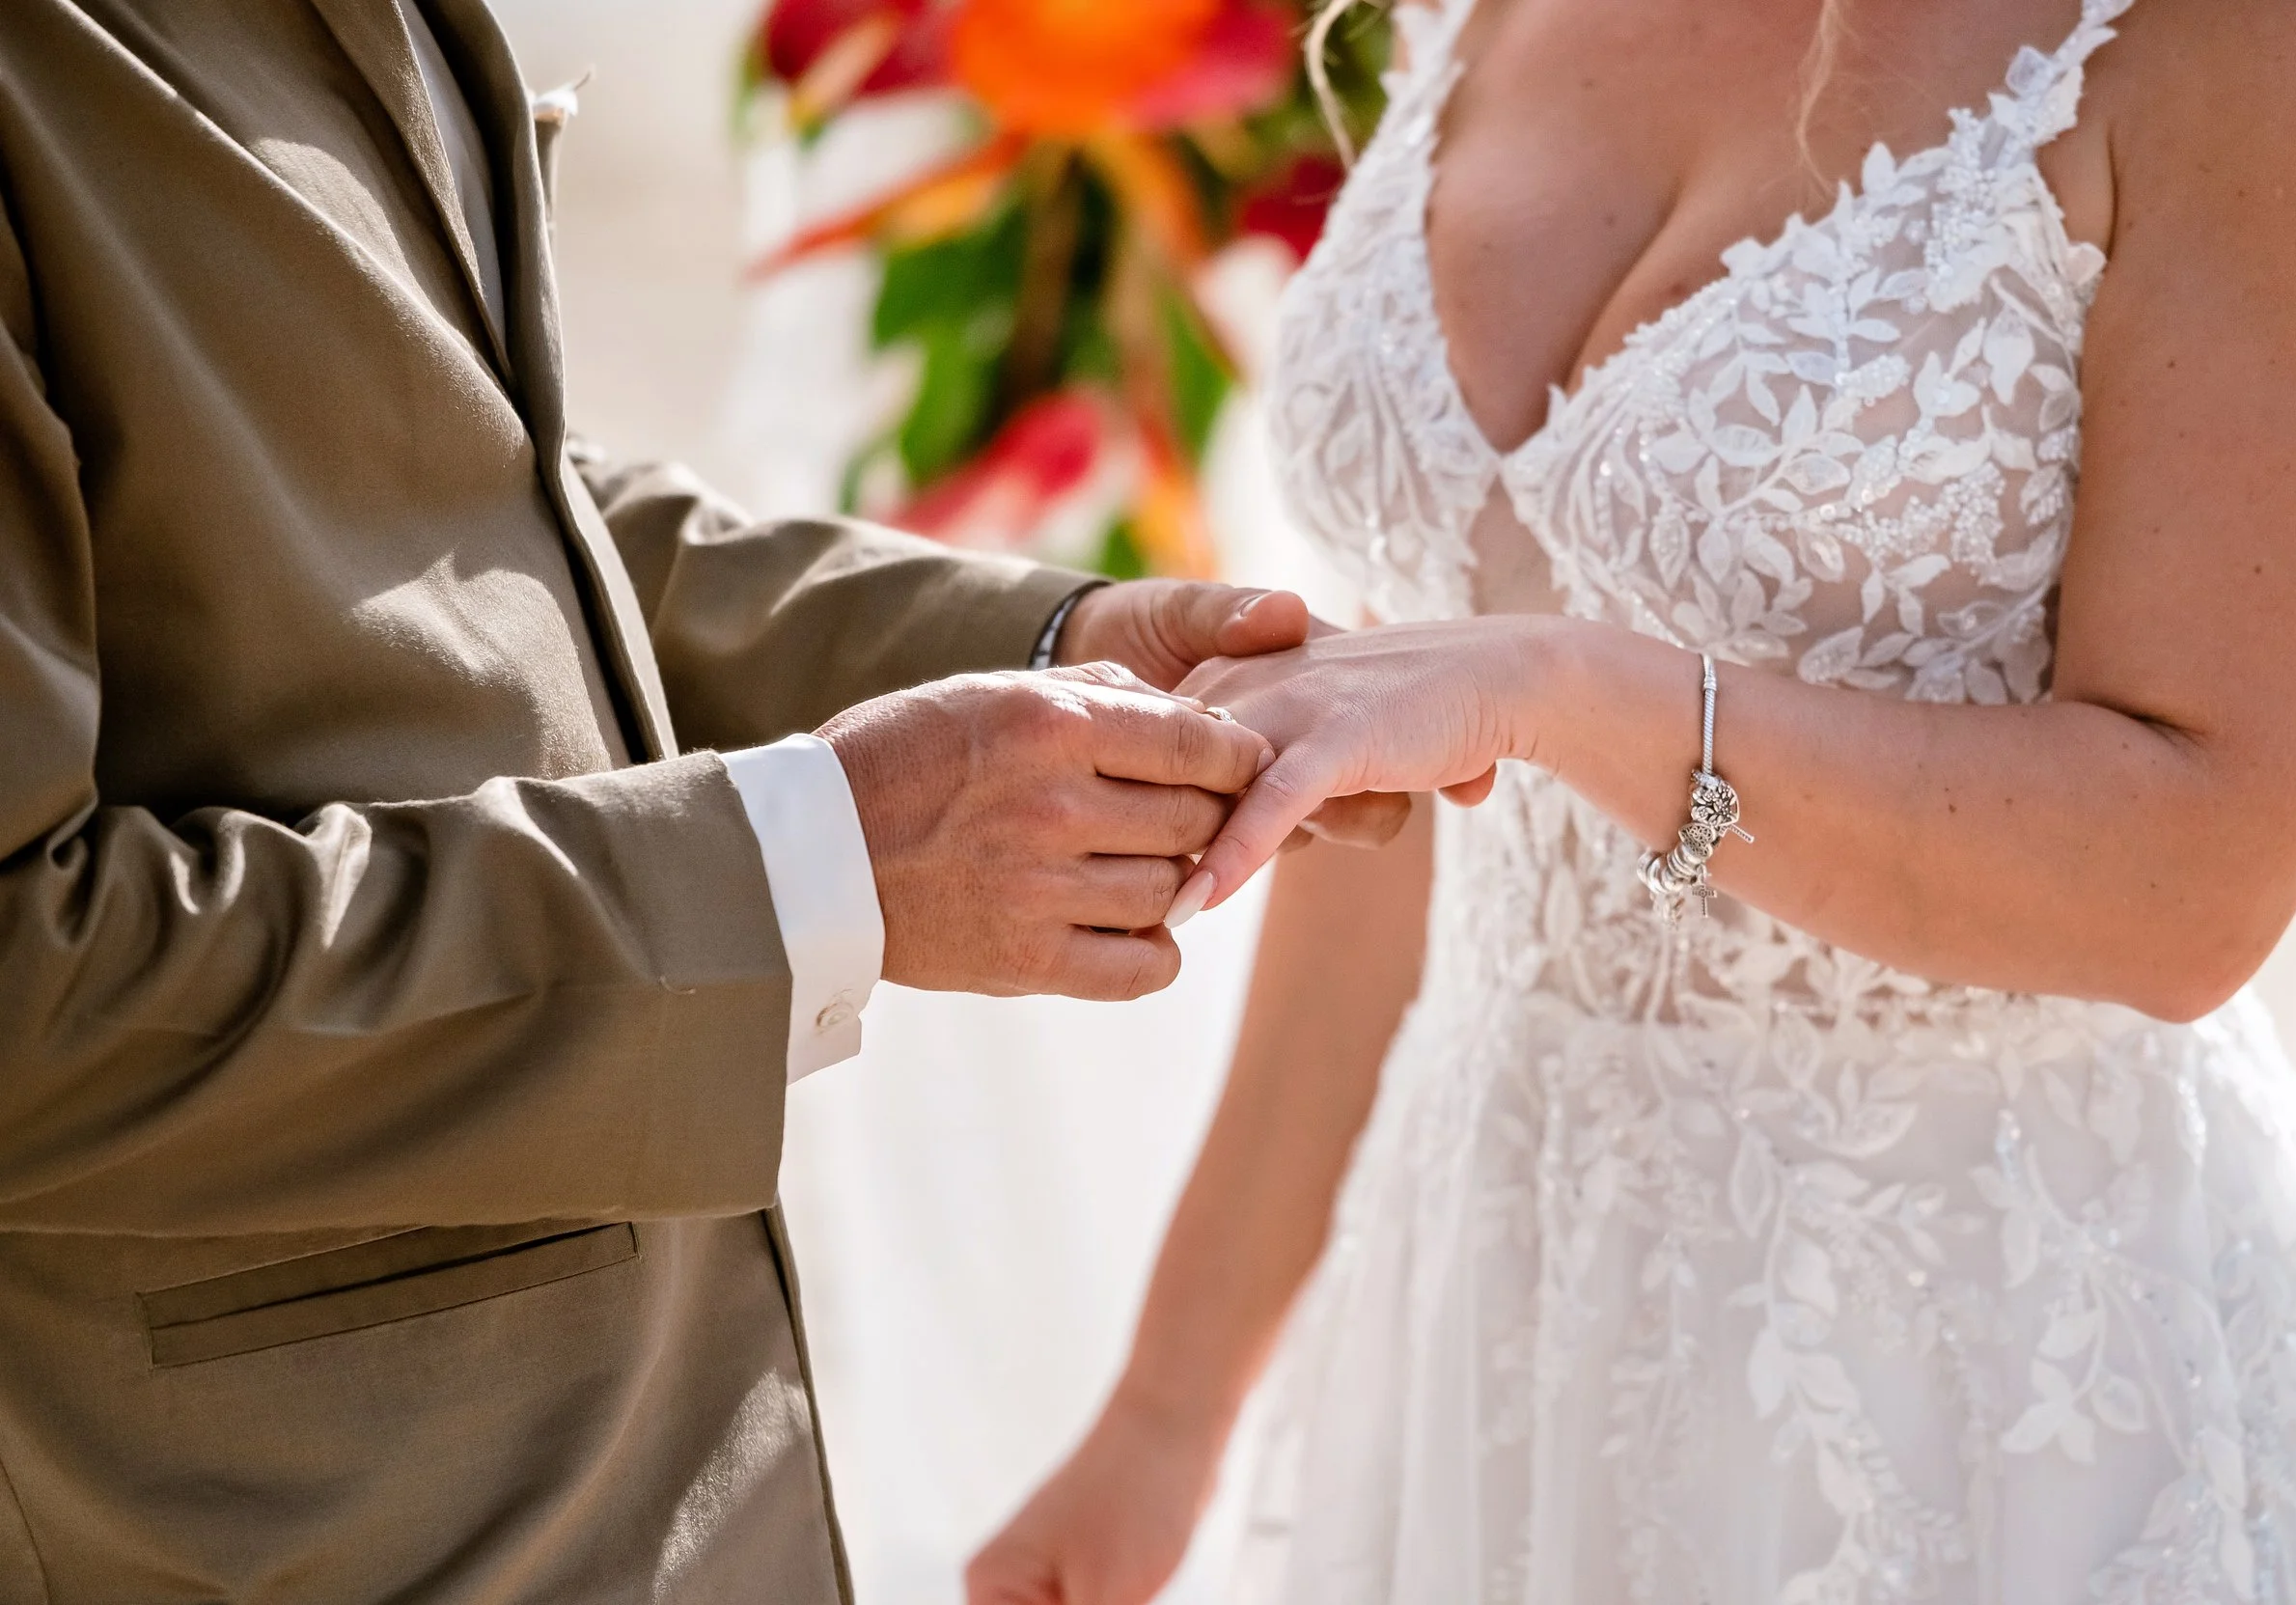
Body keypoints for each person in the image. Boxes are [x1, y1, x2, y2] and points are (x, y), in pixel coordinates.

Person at [973, 0, 2296, 1600]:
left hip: (2004, 1393)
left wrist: (1569, 697)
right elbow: (1391, 778)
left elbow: (2195, 880)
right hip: (1478, 1334)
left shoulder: (2290, 46)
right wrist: (1167, 1410)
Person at [0, 1, 1414, 1597]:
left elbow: (462, 503)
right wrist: (820, 864)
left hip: (661, 1467)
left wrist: (1051, 640)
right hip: (310, 1520)